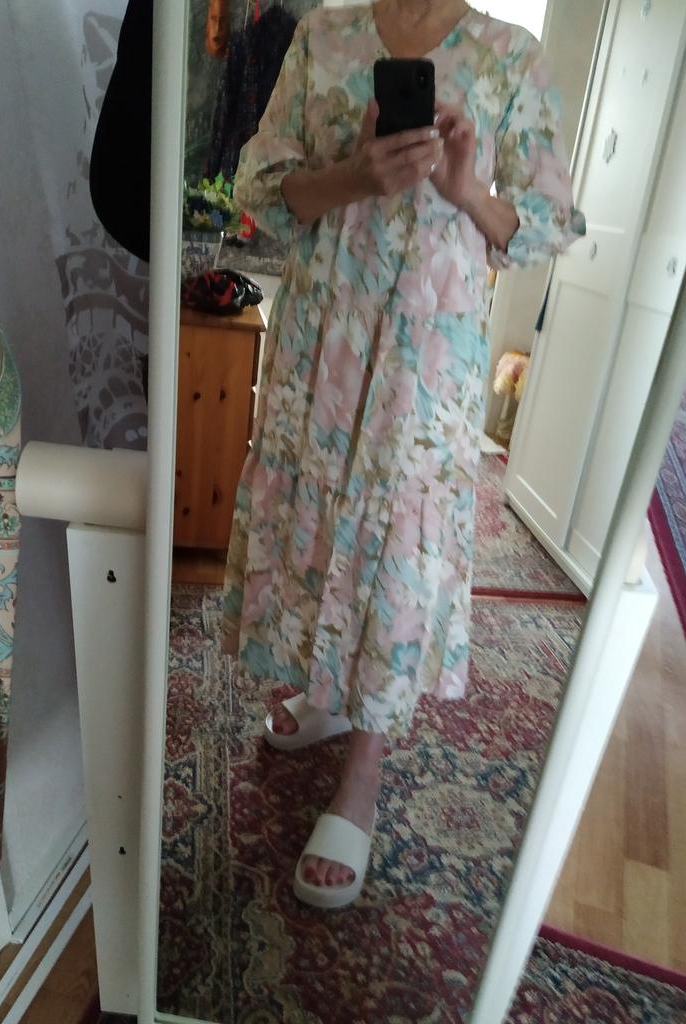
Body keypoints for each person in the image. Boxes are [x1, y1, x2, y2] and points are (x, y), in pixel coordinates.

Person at [222, 0, 585, 909]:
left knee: (395, 546)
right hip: (323, 334)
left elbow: (546, 224)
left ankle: (363, 776)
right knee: (317, 518)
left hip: (428, 356)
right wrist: (353, 176)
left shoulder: (511, 57)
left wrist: (467, 190)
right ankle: (325, 695)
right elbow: (260, 187)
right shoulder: (323, 34)